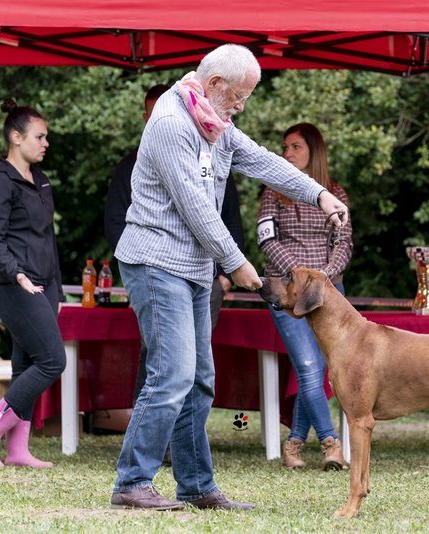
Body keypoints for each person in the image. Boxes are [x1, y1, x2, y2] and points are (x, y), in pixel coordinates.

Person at [110, 43, 349, 512]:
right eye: (239, 96)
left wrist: (319, 194)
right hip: (157, 262)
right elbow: (196, 208)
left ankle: (197, 487)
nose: (242, 106)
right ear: (215, 84)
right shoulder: (171, 124)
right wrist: (236, 262)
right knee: (171, 375)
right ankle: (132, 482)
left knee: (199, 380)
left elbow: (263, 161)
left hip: (193, 268)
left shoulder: (213, 122)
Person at [104, 85, 245, 407]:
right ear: (145, 118)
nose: (164, 121)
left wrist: (224, 274)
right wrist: (137, 266)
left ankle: (187, 444)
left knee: (197, 365)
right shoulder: (131, 164)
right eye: (155, 115)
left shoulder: (210, 153)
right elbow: (115, 223)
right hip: (158, 269)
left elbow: (229, 218)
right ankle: (150, 438)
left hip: (205, 276)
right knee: (163, 361)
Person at [0, 98, 66, 469]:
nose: (45, 143)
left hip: (43, 285)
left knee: (28, 365)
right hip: (11, 286)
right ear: (16, 137)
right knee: (52, 360)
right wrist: (19, 275)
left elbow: (47, 239)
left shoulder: (40, 182)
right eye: (39, 137)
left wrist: (54, 286)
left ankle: (18, 450)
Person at [257, 123, 353, 470]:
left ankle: (294, 446)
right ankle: (331, 445)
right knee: (310, 367)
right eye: (284, 147)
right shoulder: (272, 192)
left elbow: (345, 243)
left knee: (315, 369)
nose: (287, 153)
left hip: (330, 294)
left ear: (315, 151)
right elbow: (267, 241)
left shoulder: (336, 194)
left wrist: (321, 278)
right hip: (287, 291)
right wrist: (300, 278)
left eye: (295, 146)